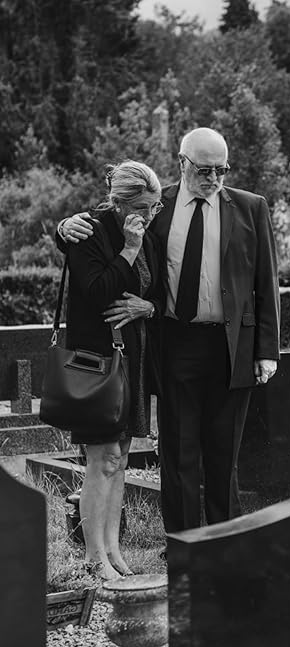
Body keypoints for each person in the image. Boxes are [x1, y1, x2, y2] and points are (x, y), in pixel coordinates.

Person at [59, 128, 280, 534]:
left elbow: (267, 280)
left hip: (233, 346)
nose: (213, 178)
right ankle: (181, 542)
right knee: (178, 452)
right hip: (175, 343)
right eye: (204, 169)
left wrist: (267, 350)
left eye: (221, 170)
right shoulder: (158, 205)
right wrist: (65, 228)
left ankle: (223, 542)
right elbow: (108, 229)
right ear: (182, 163)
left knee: (224, 453)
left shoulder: (251, 207)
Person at [64, 160, 165, 579]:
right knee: (102, 458)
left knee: (120, 459)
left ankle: (112, 550)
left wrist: (148, 306)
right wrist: (128, 250)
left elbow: (157, 290)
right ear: (119, 203)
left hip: (132, 360)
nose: (150, 214)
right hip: (98, 363)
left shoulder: (148, 232)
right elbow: (96, 292)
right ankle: (93, 557)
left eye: (155, 206)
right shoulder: (88, 230)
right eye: (142, 207)